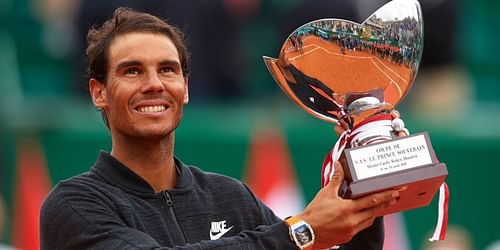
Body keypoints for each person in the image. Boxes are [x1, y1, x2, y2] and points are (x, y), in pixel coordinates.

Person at [40, 7, 400, 249]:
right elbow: (292, 239)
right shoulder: (73, 206)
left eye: (167, 70)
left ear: (186, 88)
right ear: (99, 92)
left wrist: (362, 177)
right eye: (132, 71)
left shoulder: (230, 196)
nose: (154, 84)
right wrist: (301, 230)